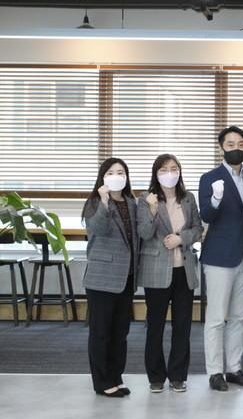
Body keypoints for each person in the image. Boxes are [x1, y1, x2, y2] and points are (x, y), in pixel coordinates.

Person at [198, 126, 243, 392]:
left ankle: (234, 368)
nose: (237, 148)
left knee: (239, 316)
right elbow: (206, 216)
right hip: (219, 256)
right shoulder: (209, 178)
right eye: (231, 144)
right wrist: (215, 198)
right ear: (221, 147)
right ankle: (215, 372)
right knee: (215, 318)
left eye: (241, 144)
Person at [137, 154, 203, 393]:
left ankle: (178, 375)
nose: (170, 173)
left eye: (174, 168)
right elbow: (144, 233)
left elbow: (197, 229)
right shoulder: (145, 199)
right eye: (164, 169)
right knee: (155, 326)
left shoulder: (188, 198)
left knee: (182, 326)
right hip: (156, 270)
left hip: (184, 270)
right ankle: (156, 377)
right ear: (156, 173)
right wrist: (153, 210)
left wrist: (181, 238)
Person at [81, 158, 139, 398]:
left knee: (120, 332)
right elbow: (99, 229)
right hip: (102, 278)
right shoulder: (94, 203)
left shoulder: (132, 202)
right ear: (103, 177)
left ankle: (116, 377)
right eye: (111, 172)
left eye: (121, 172)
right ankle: (102, 381)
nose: (117, 176)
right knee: (101, 333)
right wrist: (104, 201)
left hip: (126, 277)